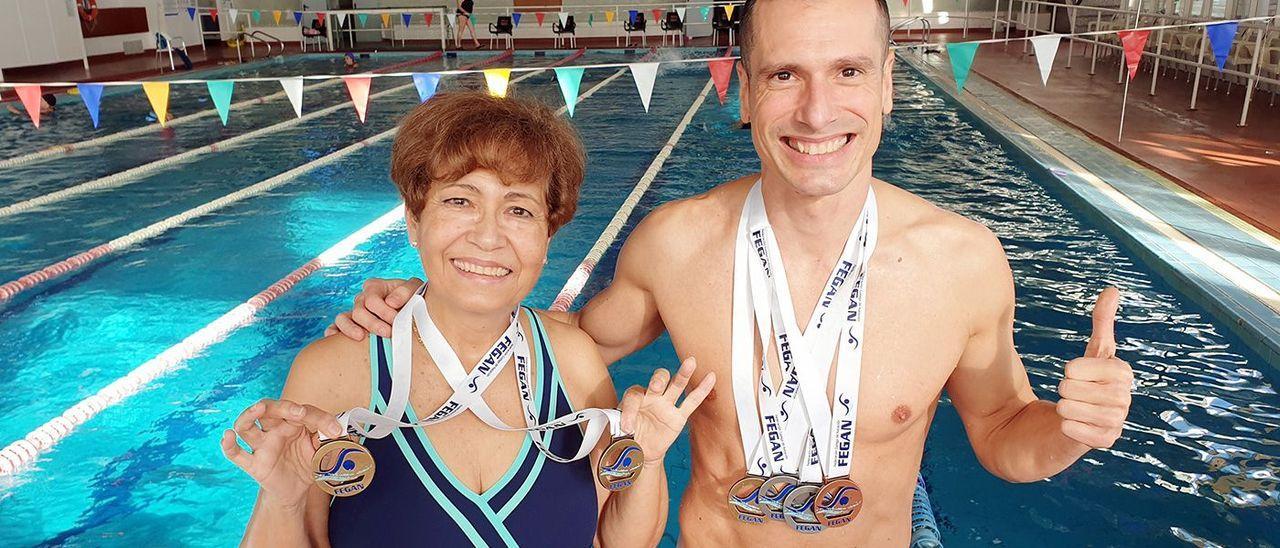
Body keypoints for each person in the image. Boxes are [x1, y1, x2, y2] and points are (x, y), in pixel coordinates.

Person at [331, 0, 1135, 545]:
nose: (818, 113)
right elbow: (569, 346)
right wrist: (442, 303)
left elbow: (1001, 436)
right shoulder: (675, 245)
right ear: (745, 91)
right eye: (786, 75)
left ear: (891, 84)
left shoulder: (964, 262)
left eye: (849, 72)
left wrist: (1070, 431)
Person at [222, 92, 714, 546]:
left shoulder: (573, 363)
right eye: (460, 201)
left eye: (519, 210)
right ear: (415, 221)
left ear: (547, 239)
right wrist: (282, 500)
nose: (488, 236)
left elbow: (614, 541)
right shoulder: (334, 371)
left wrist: (648, 461)